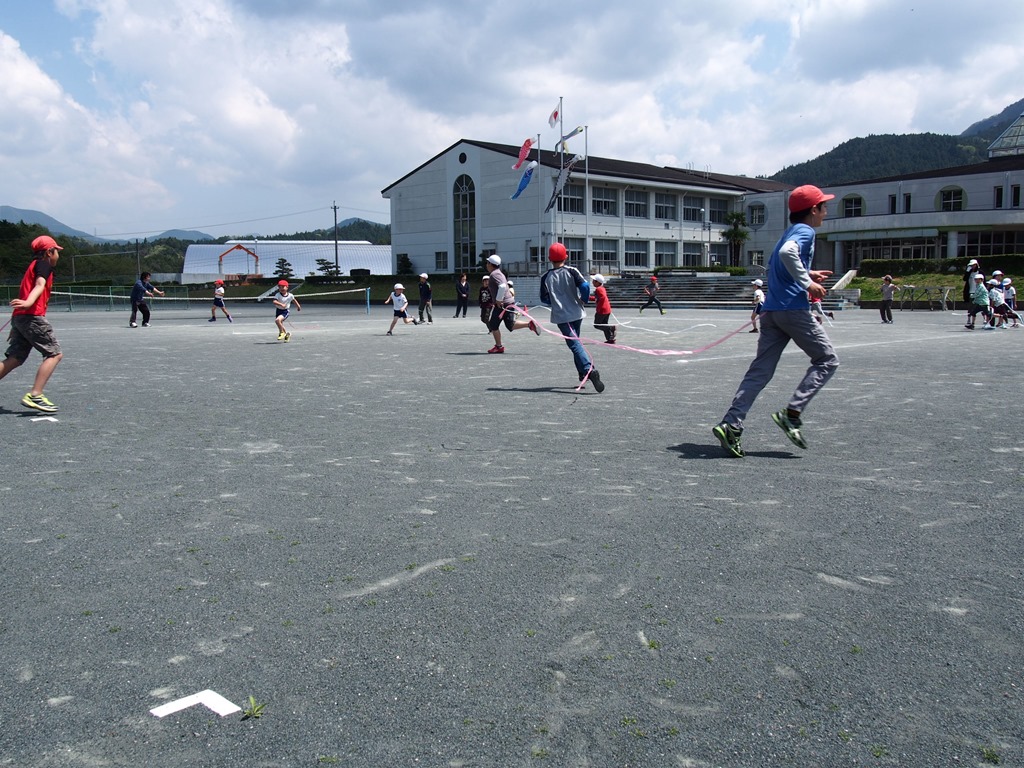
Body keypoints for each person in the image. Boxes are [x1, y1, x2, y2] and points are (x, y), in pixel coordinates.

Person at [712, 184, 839, 458]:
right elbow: (787, 255)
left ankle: (731, 424)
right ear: (813, 209)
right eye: (824, 207)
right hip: (793, 310)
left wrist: (808, 272)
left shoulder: (788, 233)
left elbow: (777, 264)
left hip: (771, 312)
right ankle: (792, 414)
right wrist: (807, 283)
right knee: (827, 360)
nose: (826, 211)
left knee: (760, 371)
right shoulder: (805, 231)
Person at [0, 235, 64, 413]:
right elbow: (39, 285)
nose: (58, 255)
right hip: (32, 317)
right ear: (49, 252)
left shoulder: (33, 266)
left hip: (21, 318)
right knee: (54, 354)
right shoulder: (44, 265)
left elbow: (25, 292)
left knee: (15, 358)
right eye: (57, 251)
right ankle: (35, 394)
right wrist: (29, 303)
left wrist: (16, 325)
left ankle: (35, 394)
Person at [540, 243, 605, 392]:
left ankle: (589, 370)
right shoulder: (572, 271)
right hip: (577, 312)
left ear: (549, 259)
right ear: (566, 257)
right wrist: (584, 299)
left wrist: (554, 301)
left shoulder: (545, 277)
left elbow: (544, 298)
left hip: (562, 316)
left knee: (574, 345)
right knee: (577, 343)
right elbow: (585, 286)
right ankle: (582, 373)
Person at [484, 255, 536, 353]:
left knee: (493, 325)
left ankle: (499, 347)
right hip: (508, 302)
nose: (486, 265)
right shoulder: (499, 273)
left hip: (502, 304)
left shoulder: (494, 274)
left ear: (491, 264)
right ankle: (529, 324)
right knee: (510, 325)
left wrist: (498, 299)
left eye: (487, 263)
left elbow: (502, 286)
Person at [590, 273, 616, 344]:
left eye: (593, 281)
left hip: (602, 310)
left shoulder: (598, 289)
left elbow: (602, 297)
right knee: (604, 324)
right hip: (607, 309)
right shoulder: (602, 288)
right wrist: (589, 298)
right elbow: (598, 298)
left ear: (597, 282)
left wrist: (599, 307)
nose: (592, 282)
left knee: (597, 325)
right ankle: (610, 339)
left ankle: (611, 328)